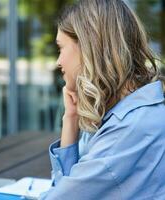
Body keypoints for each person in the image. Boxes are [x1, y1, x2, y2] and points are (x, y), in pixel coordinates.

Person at [40, 0, 165, 199]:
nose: (58, 62)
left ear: (89, 49)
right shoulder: (127, 111)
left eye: (61, 48)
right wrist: (70, 119)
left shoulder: (126, 131)